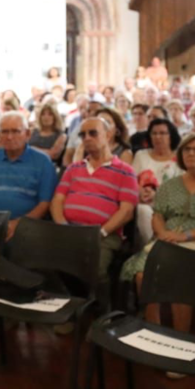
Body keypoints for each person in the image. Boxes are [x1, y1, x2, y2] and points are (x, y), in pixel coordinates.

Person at [120, 133, 195, 351]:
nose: (191, 153)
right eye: (187, 150)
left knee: (178, 279)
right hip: (167, 239)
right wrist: (163, 233)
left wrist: (184, 237)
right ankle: (154, 336)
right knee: (143, 274)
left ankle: (179, 342)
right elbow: (158, 215)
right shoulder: (170, 184)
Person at [52, 117, 139, 307]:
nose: (87, 138)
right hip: (70, 229)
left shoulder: (125, 171)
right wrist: (63, 227)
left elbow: (126, 212)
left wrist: (100, 233)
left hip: (103, 233)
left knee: (94, 267)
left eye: (93, 133)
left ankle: (102, 310)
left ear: (108, 135)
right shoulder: (74, 168)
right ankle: (74, 306)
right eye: (83, 134)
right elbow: (58, 200)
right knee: (47, 259)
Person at [0, 112, 58, 238]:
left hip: (27, 227)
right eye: (4, 132)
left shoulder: (42, 162)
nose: (9, 137)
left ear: (27, 134)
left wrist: (19, 224)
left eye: (15, 131)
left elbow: (45, 203)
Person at [130, 118, 182, 245]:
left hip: (169, 207)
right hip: (142, 203)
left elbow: (182, 189)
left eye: (163, 133)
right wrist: (139, 191)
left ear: (171, 136)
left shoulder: (180, 159)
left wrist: (157, 194)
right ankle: (150, 249)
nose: (158, 137)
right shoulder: (141, 155)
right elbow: (131, 181)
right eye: (154, 133)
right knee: (143, 210)